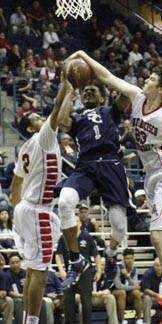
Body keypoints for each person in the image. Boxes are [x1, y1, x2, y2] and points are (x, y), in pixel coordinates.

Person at [67, 50, 162, 324]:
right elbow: (106, 76)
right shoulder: (138, 98)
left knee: (156, 236)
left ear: (160, 88)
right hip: (150, 178)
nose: (146, 79)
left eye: (151, 78)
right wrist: (83, 55)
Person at [55, 81, 135, 288]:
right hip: (86, 165)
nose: (88, 91)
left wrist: (106, 79)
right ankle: (75, 260)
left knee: (119, 225)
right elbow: (62, 121)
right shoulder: (79, 119)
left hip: (110, 163)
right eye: (85, 91)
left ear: (102, 98)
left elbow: (127, 94)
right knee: (64, 203)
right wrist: (70, 93)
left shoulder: (110, 111)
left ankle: (110, 253)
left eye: (93, 90)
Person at [10, 78, 70, 324]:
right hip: (36, 210)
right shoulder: (43, 138)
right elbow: (57, 112)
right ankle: (32, 321)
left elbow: (15, 185)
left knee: (34, 270)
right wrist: (68, 86)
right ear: (31, 128)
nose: (40, 118)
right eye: (35, 118)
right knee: (41, 274)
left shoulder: (26, 147)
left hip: (26, 209)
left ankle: (27, 320)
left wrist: (19, 214)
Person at [55, 221, 101, 324]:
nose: (74, 224)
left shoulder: (87, 237)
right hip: (70, 273)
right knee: (68, 302)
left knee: (86, 303)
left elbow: (96, 255)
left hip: (85, 273)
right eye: (72, 222)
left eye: (76, 222)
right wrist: (61, 270)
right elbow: (57, 255)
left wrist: (99, 271)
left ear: (80, 224)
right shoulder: (64, 237)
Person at [5, 254, 47, 324]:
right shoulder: (7, 275)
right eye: (12, 263)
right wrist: (25, 296)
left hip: (26, 297)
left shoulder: (25, 273)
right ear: (9, 264)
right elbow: (10, 293)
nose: (15, 265)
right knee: (18, 301)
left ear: (20, 263)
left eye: (17, 262)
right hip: (15, 299)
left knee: (41, 301)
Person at [113, 248, 143, 324]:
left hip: (128, 294)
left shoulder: (135, 269)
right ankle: (123, 320)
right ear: (123, 259)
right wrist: (133, 287)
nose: (130, 260)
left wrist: (128, 277)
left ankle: (139, 320)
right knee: (122, 292)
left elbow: (134, 284)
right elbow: (118, 286)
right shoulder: (118, 268)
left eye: (131, 258)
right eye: (127, 258)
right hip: (115, 294)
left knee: (136, 293)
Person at [91, 257, 118, 324]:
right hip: (89, 298)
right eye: (101, 265)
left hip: (99, 297)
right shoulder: (90, 273)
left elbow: (107, 289)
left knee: (110, 297)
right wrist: (99, 294)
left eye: (104, 265)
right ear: (97, 264)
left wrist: (105, 292)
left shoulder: (103, 275)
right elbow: (86, 291)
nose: (103, 267)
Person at [141, 257, 162, 324]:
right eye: (157, 266)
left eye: (161, 265)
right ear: (153, 266)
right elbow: (146, 290)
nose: (159, 268)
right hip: (150, 296)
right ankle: (147, 322)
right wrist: (157, 295)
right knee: (147, 299)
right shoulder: (148, 273)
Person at [0, 253, 14, 324]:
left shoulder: (3, 274)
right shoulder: (2, 274)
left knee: (8, 300)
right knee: (9, 301)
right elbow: (3, 294)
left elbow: (4, 293)